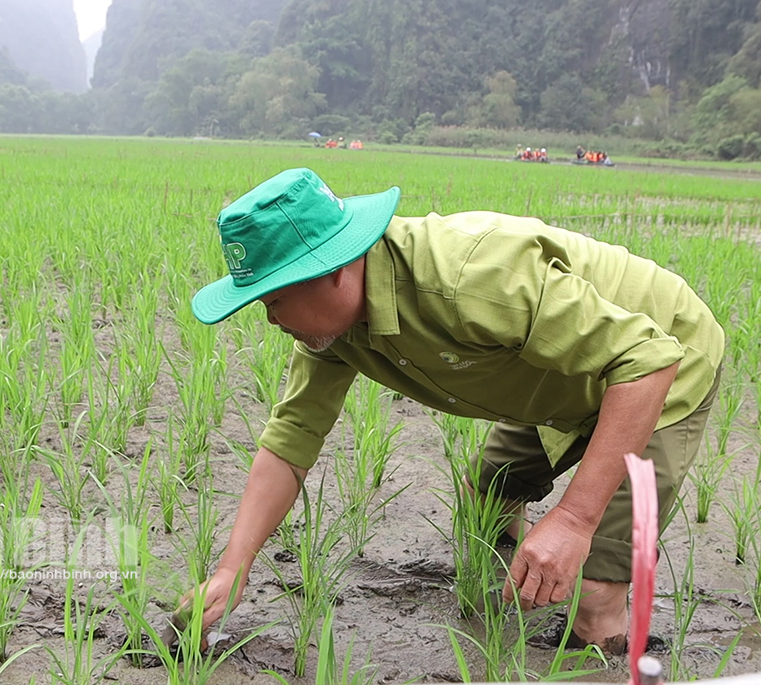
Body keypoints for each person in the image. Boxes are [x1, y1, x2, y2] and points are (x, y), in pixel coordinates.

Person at [188, 168, 724, 655]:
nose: (271, 320)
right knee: (488, 498)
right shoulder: (332, 333)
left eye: (274, 300)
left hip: (659, 365)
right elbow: (292, 438)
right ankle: (520, 593)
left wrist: (575, 520)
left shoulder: (470, 277)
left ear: (332, 268)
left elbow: (646, 360)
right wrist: (233, 569)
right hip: (559, 383)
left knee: (596, 587)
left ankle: (598, 640)